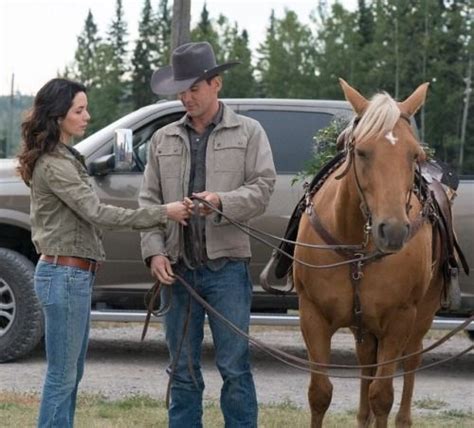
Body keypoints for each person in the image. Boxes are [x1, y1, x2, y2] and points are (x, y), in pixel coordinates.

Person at [17, 78, 193, 428]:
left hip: (73, 276)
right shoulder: (55, 165)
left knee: (71, 373)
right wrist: (164, 212)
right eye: (79, 110)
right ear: (57, 116)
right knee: (63, 376)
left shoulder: (67, 157)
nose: (87, 116)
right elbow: (97, 213)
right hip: (64, 276)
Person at [139, 41, 276, 427]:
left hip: (227, 270)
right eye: (181, 90)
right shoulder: (162, 140)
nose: (185, 97)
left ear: (215, 84)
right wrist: (154, 252)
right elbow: (148, 201)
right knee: (181, 370)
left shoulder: (249, 132)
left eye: (193, 88)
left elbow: (263, 189)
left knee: (235, 368)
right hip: (177, 272)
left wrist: (221, 201)